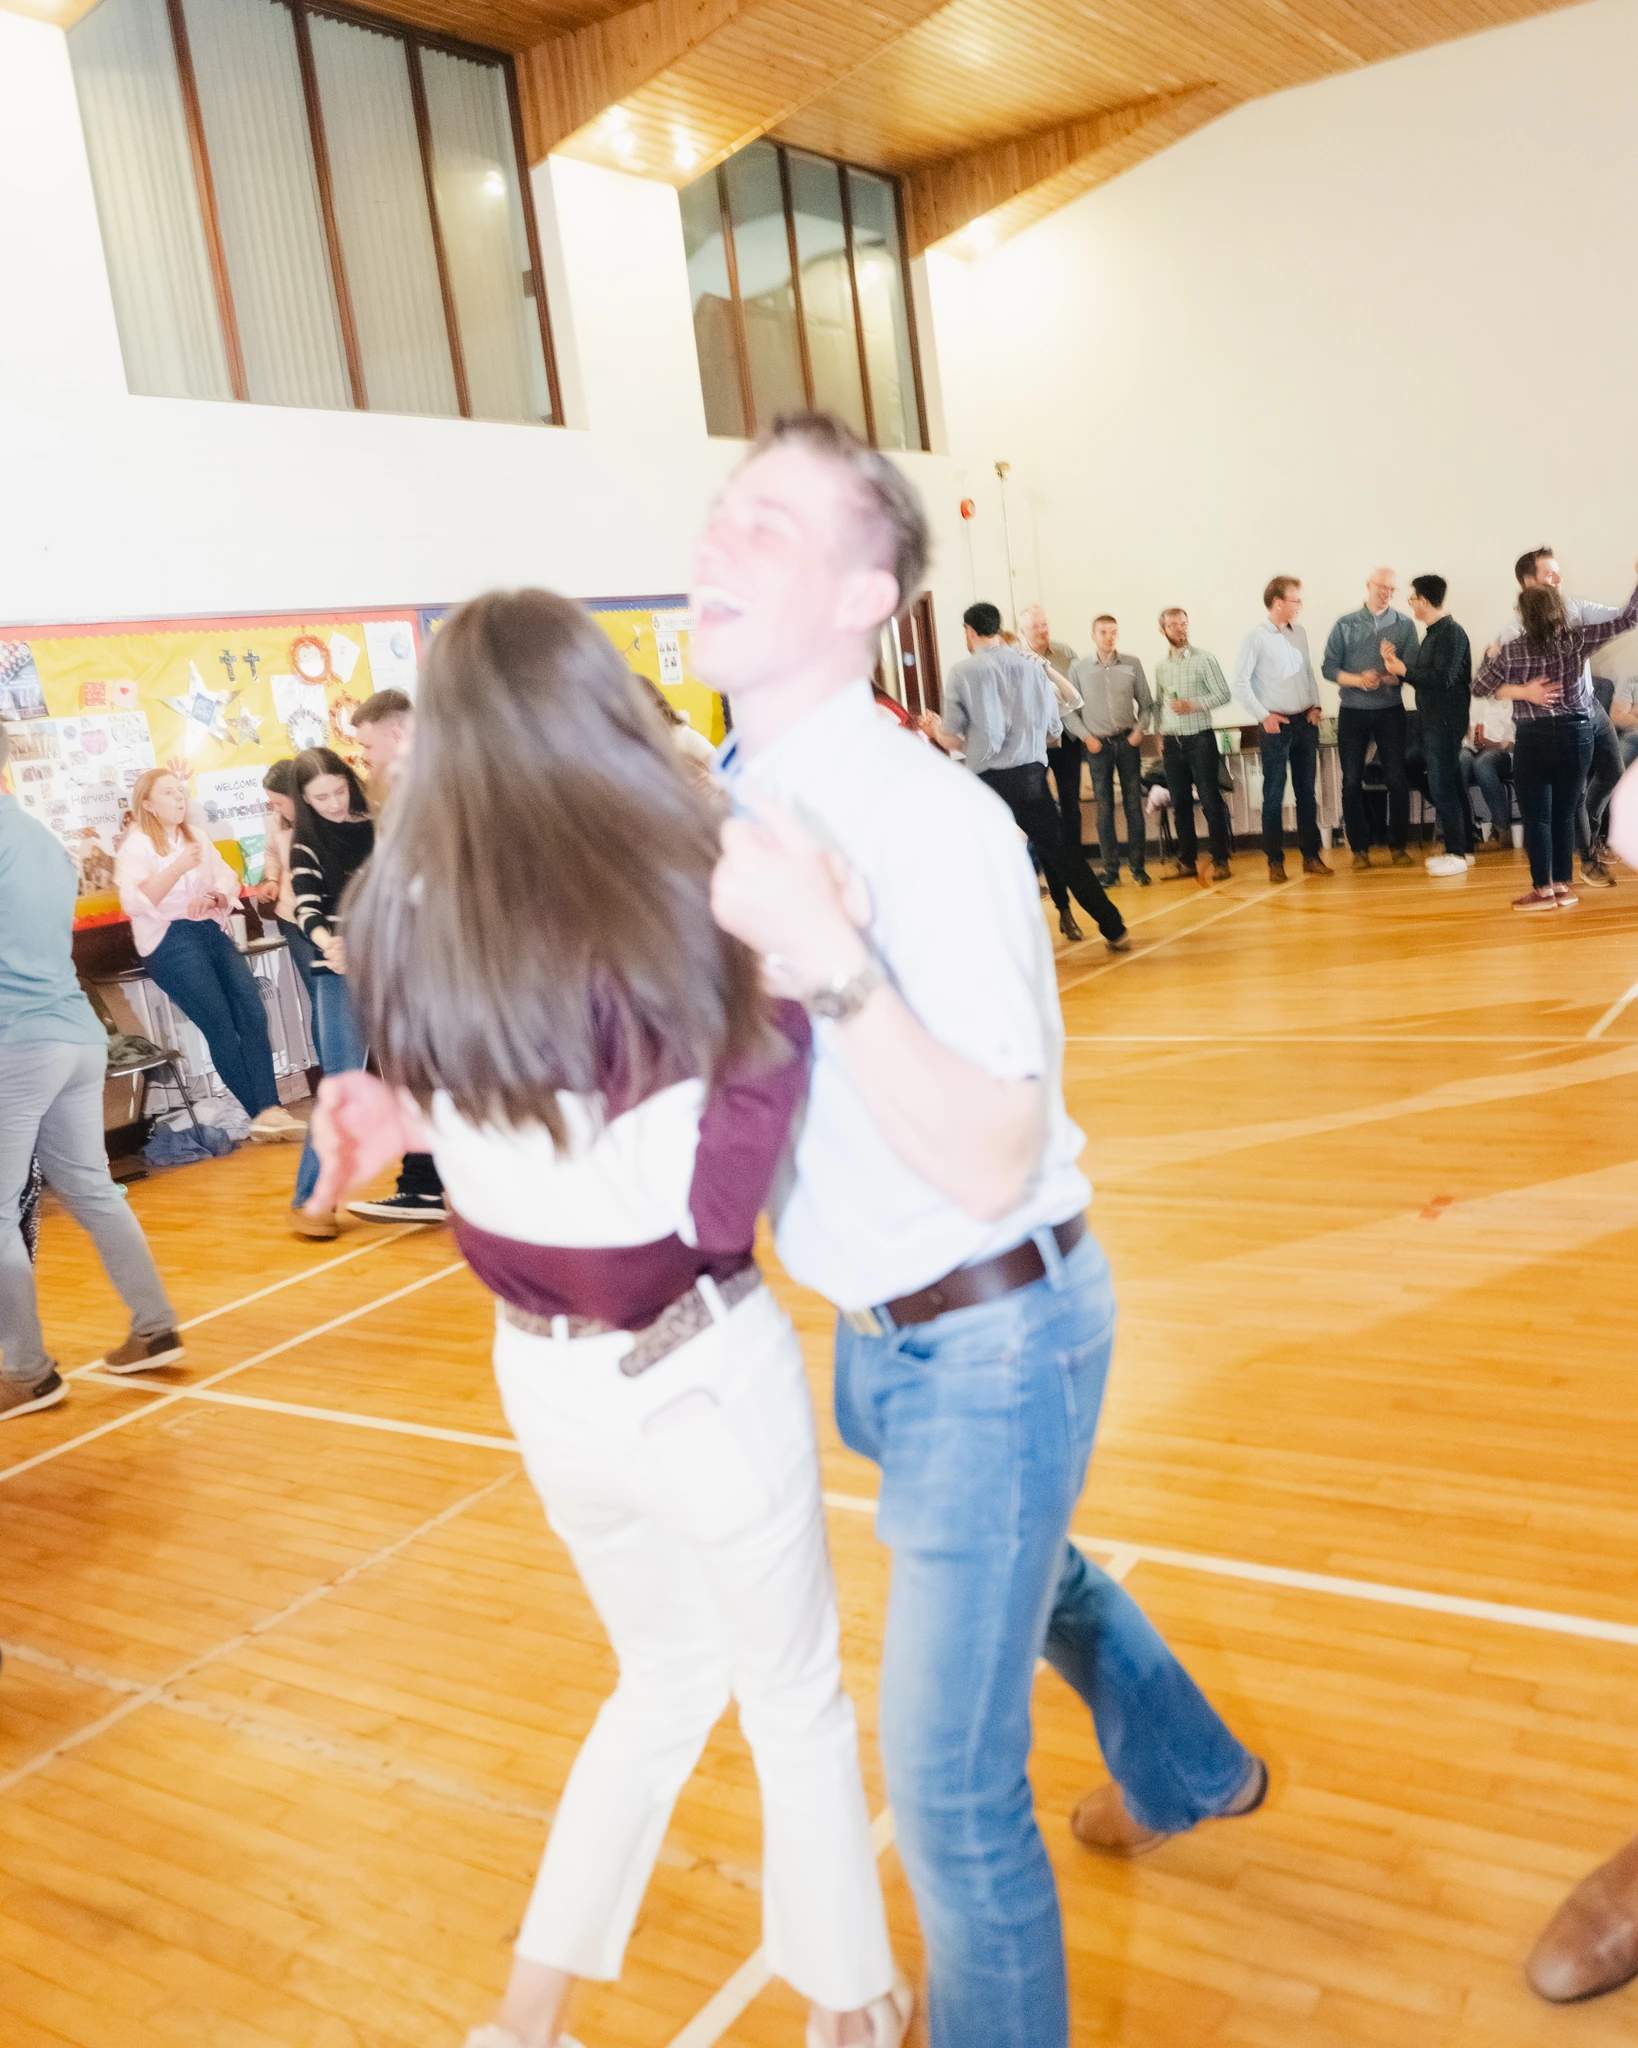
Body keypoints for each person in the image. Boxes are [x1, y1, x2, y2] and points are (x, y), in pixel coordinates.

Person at [704, 414, 1264, 2048]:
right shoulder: (745, 786)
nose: (720, 545)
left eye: (773, 527)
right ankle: (1187, 1762)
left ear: (868, 589)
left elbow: (987, 1144)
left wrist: (828, 960)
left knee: (949, 1800)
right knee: (1043, 1567)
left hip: (987, 1324)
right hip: (885, 1337)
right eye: (719, 516)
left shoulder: (926, 819)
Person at [305, 588, 911, 2048]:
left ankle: (528, 2020)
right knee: (790, 1700)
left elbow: (500, 1106)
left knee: (660, 1681)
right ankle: (848, 2006)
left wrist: (404, 1105)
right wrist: (791, 994)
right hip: (690, 1364)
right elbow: (700, 1211)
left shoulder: (400, 908)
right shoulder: (654, 900)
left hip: (547, 1386)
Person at [2, 727, 184, 1421]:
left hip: (16, 1044)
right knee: (92, 1189)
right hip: (73, 1033)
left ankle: (26, 1372)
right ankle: (154, 1324)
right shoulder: (40, 837)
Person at [921, 604, 1128, 951]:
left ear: (969, 631)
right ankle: (1113, 926)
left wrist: (933, 729)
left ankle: (994, 943)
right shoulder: (1031, 667)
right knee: (1064, 854)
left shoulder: (962, 672)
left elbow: (953, 738)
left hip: (986, 782)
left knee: (985, 860)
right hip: (1031, 775)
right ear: (1000, 629)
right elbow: (1053, 726)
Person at [114, 769, 303, 1142]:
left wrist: (215, 896)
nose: (179, 798)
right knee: (220, 1024)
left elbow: (226, 877)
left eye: (180, 791)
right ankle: (260, 1113)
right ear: (148, 804)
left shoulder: (195, 836)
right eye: (168, 793)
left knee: (250, 1010)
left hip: (209, 930)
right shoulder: (136, 846)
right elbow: (136, 900)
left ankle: (271, 1110)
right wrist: (176, 868)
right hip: (170, 939)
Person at [1472, 561, 1638, 910]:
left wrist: (1507, 674)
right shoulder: (1577, 640)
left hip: (1534, 739)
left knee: (1538, 817)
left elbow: (1480, 685)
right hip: (1577, 735)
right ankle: (1564, 886)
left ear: (1526, 616)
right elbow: (1628, 618)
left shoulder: (1513, 649)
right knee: (1565, 812)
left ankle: (1542, 890)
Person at [344, 691, 450, 1225]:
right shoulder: (410, 785)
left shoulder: (418, 787)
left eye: (366, 744)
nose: (364, 756)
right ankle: (426, 1179)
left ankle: (427, 1182)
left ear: (394, 734)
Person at [288, 749, 375, 1238]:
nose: (333, 803)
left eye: (339, 790)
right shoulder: (306, 843)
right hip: (338, 971)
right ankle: (311, 1199)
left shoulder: (380, 825)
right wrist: (330, 943)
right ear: (303, 800)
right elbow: (307, 909)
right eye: (320, 798)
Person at [1504, 547, 1623, 887]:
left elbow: (1618, 616)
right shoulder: (1515, 629)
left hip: (1591, 709)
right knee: (1570, 795)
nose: (1559, 579)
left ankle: (1590, 834)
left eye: (1558, 572)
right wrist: (1524, 691)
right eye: (1550, 574)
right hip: (1556, 720)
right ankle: (1586, 859)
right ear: (1529, 581)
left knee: (1612, 771)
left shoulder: (1574, 609)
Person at [1234, 577, 1330, 884]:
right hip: (1276, 727)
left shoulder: (1299, 633)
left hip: (1305, 723)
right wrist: (1264, 716)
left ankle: (1311, 857)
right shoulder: (1256, 638)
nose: (1300, 606)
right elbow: (1239, 683)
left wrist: (1315, 704)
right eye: (1295, 600)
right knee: (1273, 795)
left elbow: (1308, 672)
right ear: (1278, 603)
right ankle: (1275, 861)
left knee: (1306, 793)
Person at [1323, 567, 1418, 869]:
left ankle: (1398, 847)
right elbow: (1328, 669)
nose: (1386, 593)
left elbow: (1411, 672)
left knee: (1397, 779)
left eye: (1392, 589)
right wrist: (1359, 680)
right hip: (1352, 712)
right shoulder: (1345, 624)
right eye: (1381, 587)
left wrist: (1387, 675)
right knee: (1351, 781)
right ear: (1368, 585)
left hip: (1390, 711)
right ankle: (1359, 850)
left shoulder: (1404, 625)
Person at [1380, 575, 1473, 876]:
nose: (1411, 605)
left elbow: (1443, 678)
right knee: (1452, 784)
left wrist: (1404, 669)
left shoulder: (1451, 633)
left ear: (1424, 600)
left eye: (1412, 599)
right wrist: (1399, 669)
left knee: (1442, 785)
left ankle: (1456, 852)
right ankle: (1464, 849)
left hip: (1445, 721)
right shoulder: (1433, 633)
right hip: (1434, 719)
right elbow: (1425, 676)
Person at [1068, 616, 1153, 887]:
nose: (1109, 637)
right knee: (1104, 809)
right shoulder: (1079, 668)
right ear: (1093, 635)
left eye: (1114, 632)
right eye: (1103, 632)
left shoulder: (1132, 664)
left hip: (1127, 743)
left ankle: (1138, 868)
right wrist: (1085, 737)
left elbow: (1148, 705)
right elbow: (1067, 710)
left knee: (1133, 807)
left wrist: (1139, 732)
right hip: (1097, 746)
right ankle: (1111, 870)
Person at [1152, 607, 1233, 881]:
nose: (1180, 629)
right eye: (1173, 625)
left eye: (1184, 624)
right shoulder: (1161, 667)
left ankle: (1221, 860)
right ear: (1162, 630)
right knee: (1180, 803)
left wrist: (1193, 705)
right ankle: (1187, 861)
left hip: (1200, 738)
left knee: (1210, 800)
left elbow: (1223, 694)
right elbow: (1159, 701)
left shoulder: (1204, 659)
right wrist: (1159, 733)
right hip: (1173, 744)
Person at [253, 759, 322, 1014]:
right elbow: (271, 852)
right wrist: (272, 879)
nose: (275, 808)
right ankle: (330, 1054)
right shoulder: (276, 821)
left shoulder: (327, 816)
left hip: (329, 916)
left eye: (280, 802)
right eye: (272, 802)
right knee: (320, 997)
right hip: (293, 916)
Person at [1018, 604, 1085, 852]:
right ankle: (1045, 859)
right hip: (1035, 743)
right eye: (1035, 626)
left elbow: (1079, 694)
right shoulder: (1016, 657)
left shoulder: (1065, 653)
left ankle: (1074, 859)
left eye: (1044, 624)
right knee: (1036, 804)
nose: (1042, 630)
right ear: (1022, 631)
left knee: (1070, 802)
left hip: (1067, 737)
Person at [1462, 708, 1514, 846]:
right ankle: (1466, 829)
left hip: (1499, 752)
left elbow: (1514, 741)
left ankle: (1501, 828)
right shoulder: (1465, 697)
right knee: (1460, 762)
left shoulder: (1503, 697)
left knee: (1482, 764)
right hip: (1467, 748)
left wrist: (1494, 743)